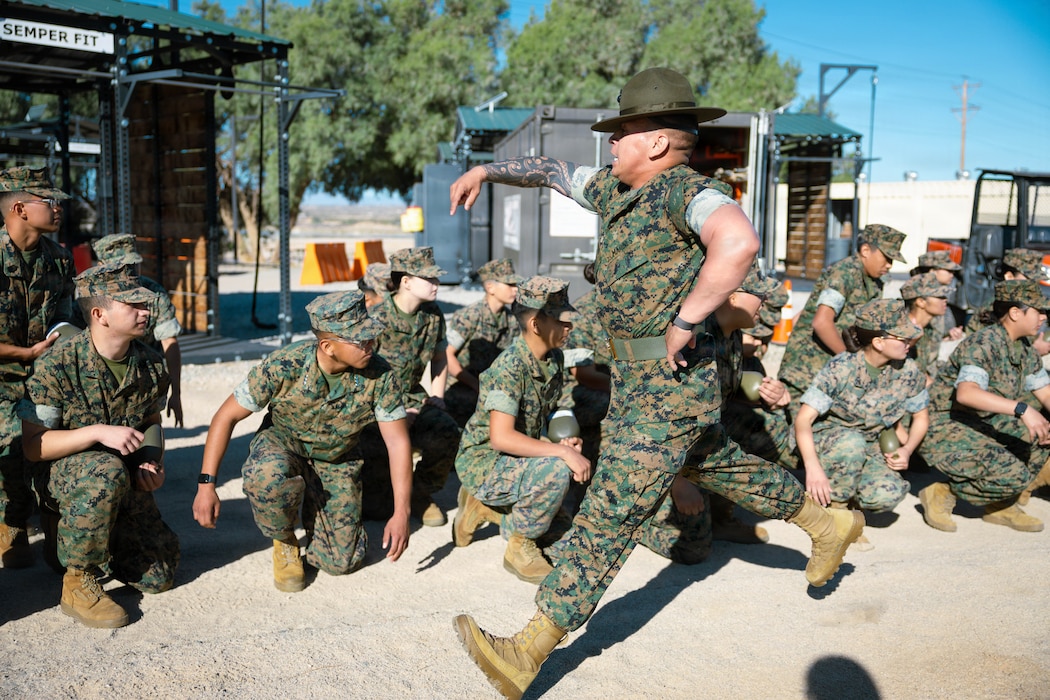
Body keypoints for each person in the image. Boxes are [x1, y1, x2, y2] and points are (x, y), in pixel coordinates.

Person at [446, 67, 864, 700]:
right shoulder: (618, 189)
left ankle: (527, 651)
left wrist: (687, 318)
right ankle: (824, 523)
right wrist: (488, 171)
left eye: (623, 132)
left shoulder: (685, 194)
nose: (610, 144)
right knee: (718, 463)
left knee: (610, 511)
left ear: (660, 143)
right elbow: (554, 172)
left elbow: (739, 241)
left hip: (670, 385)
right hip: (642, 381)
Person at [193, 290, 411, 592]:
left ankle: (317, 511)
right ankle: (284, 539)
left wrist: (401, 513)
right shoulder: (286, 365)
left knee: (341, 563)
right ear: (328, 346)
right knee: (266, 476)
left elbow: (398, 443)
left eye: (371, 335)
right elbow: (225, 417)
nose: (370, 345)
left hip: (337, 457)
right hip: (285, 443)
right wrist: (207, 485)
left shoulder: (381, 375)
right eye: (360, 340)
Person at [20, 264, 179, 628]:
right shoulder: (57, 364)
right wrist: (96, 432)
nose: (146, 312)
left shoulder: (152, 366)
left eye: (146, 304)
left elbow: (151, 423)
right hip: (64, 471)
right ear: (99, 314)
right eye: (133, 305)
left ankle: (80, 536)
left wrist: (151, 462)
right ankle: (78, 580)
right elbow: (33, 446)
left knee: (159, 575)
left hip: (119, 475)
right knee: (103, 471)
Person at [638, 261, 783, 561]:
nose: (765, 302)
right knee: (693, 549)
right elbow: (660, 420)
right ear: (732, 296)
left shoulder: (733, 334)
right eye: (759, 294)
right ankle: (638, 522)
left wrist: (770, 396)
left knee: (770, 433)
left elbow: (723, 402)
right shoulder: (693, 339)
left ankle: (721, 515)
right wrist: (679, 482)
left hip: (703, 436)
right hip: (663, 447)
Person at [452, 276, 591, 583]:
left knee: (569, 548)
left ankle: (491, 510)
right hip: (484, 463)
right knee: (556, 470)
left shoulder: (552, 359)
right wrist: (560, 453)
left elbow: (535, 421)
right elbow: (501, 438)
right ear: (536, 325)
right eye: (562, 321)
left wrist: (564, 444)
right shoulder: (509, 368)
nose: (569, 327)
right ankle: (519, 547)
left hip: (515, 457)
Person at [794, 299, 928, 550]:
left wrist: (908, 450)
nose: (909, 343)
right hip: (831, 440)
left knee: (887, 494)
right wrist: (812, 467)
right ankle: (837, 516)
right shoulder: (842, 367)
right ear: (878, 342)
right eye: (903, 338)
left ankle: (845, 493)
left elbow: (921, 416)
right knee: (851, 443)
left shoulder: (908, 371)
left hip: (869, 444)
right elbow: (803, 420)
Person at [919, 279, 1050, 533]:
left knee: (1042, 435)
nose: (1044, 317)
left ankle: (1000, 505)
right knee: (1014, 475)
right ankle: (942, 492)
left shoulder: (1024, 349)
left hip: (981, 421)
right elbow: (967, 394)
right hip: (944, 425)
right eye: (1038, 311)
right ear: (1015, 313)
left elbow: (1045, 393)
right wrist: (1023, 409)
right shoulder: (984, 343)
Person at [0, 166, 76, 569]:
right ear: (19, 208)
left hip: (44, 375)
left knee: (64, 439)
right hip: (1, 377)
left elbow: (65, 323)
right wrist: (23, 355)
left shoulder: (59, 259)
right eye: (48, 201)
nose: (58, 206)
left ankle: (56, 521)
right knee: (13, 440)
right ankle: (11, 519)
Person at [360, 247, 461, 527]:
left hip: (416, 399)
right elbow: (359, 375)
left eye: (436, 279)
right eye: (429, 279)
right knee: (377, 509)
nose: (436, 284)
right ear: (405, 282)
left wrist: (437, 396)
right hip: (377, 408)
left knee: (447, 430)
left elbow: (440, 358)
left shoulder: (432, 315)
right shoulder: (377, 319)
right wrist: (397, 410)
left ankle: (420, 491)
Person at [779, 224, 908, 414]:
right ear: (865, 250)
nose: (890, 265)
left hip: (829, 374)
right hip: (805, 373)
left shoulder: (872, 280)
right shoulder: (844, 273)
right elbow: (821, 322)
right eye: (887, 257)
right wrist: (853, 363)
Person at [91, 233, 184, 427]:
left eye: (132, 265)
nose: (128, 272)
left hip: (144, 375)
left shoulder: (154, 294)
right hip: (101, 376)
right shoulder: (90, 297)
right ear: (101, 266)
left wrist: (176, 393)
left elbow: (170, 342)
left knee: (149, 433)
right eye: (120, 266)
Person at [444, 258, 523, 427]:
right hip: (463, 389)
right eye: (509, 284)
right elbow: (447, 355)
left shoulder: (512, 320)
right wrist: (475, 384)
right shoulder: (470, 316)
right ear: (490, 287)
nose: (515, 289)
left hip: (495, 390)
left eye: (516, 284)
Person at [900, 272, 955, 387]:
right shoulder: (903, 330)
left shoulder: (927, 328)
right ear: (921, 302)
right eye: (939, 297)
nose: (945, 300)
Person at [910, 249, 963, 341]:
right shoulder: (915, 293)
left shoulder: (941, 300)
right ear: (932, 271)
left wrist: (949, 335)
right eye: (949, 271)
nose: (952, 275)